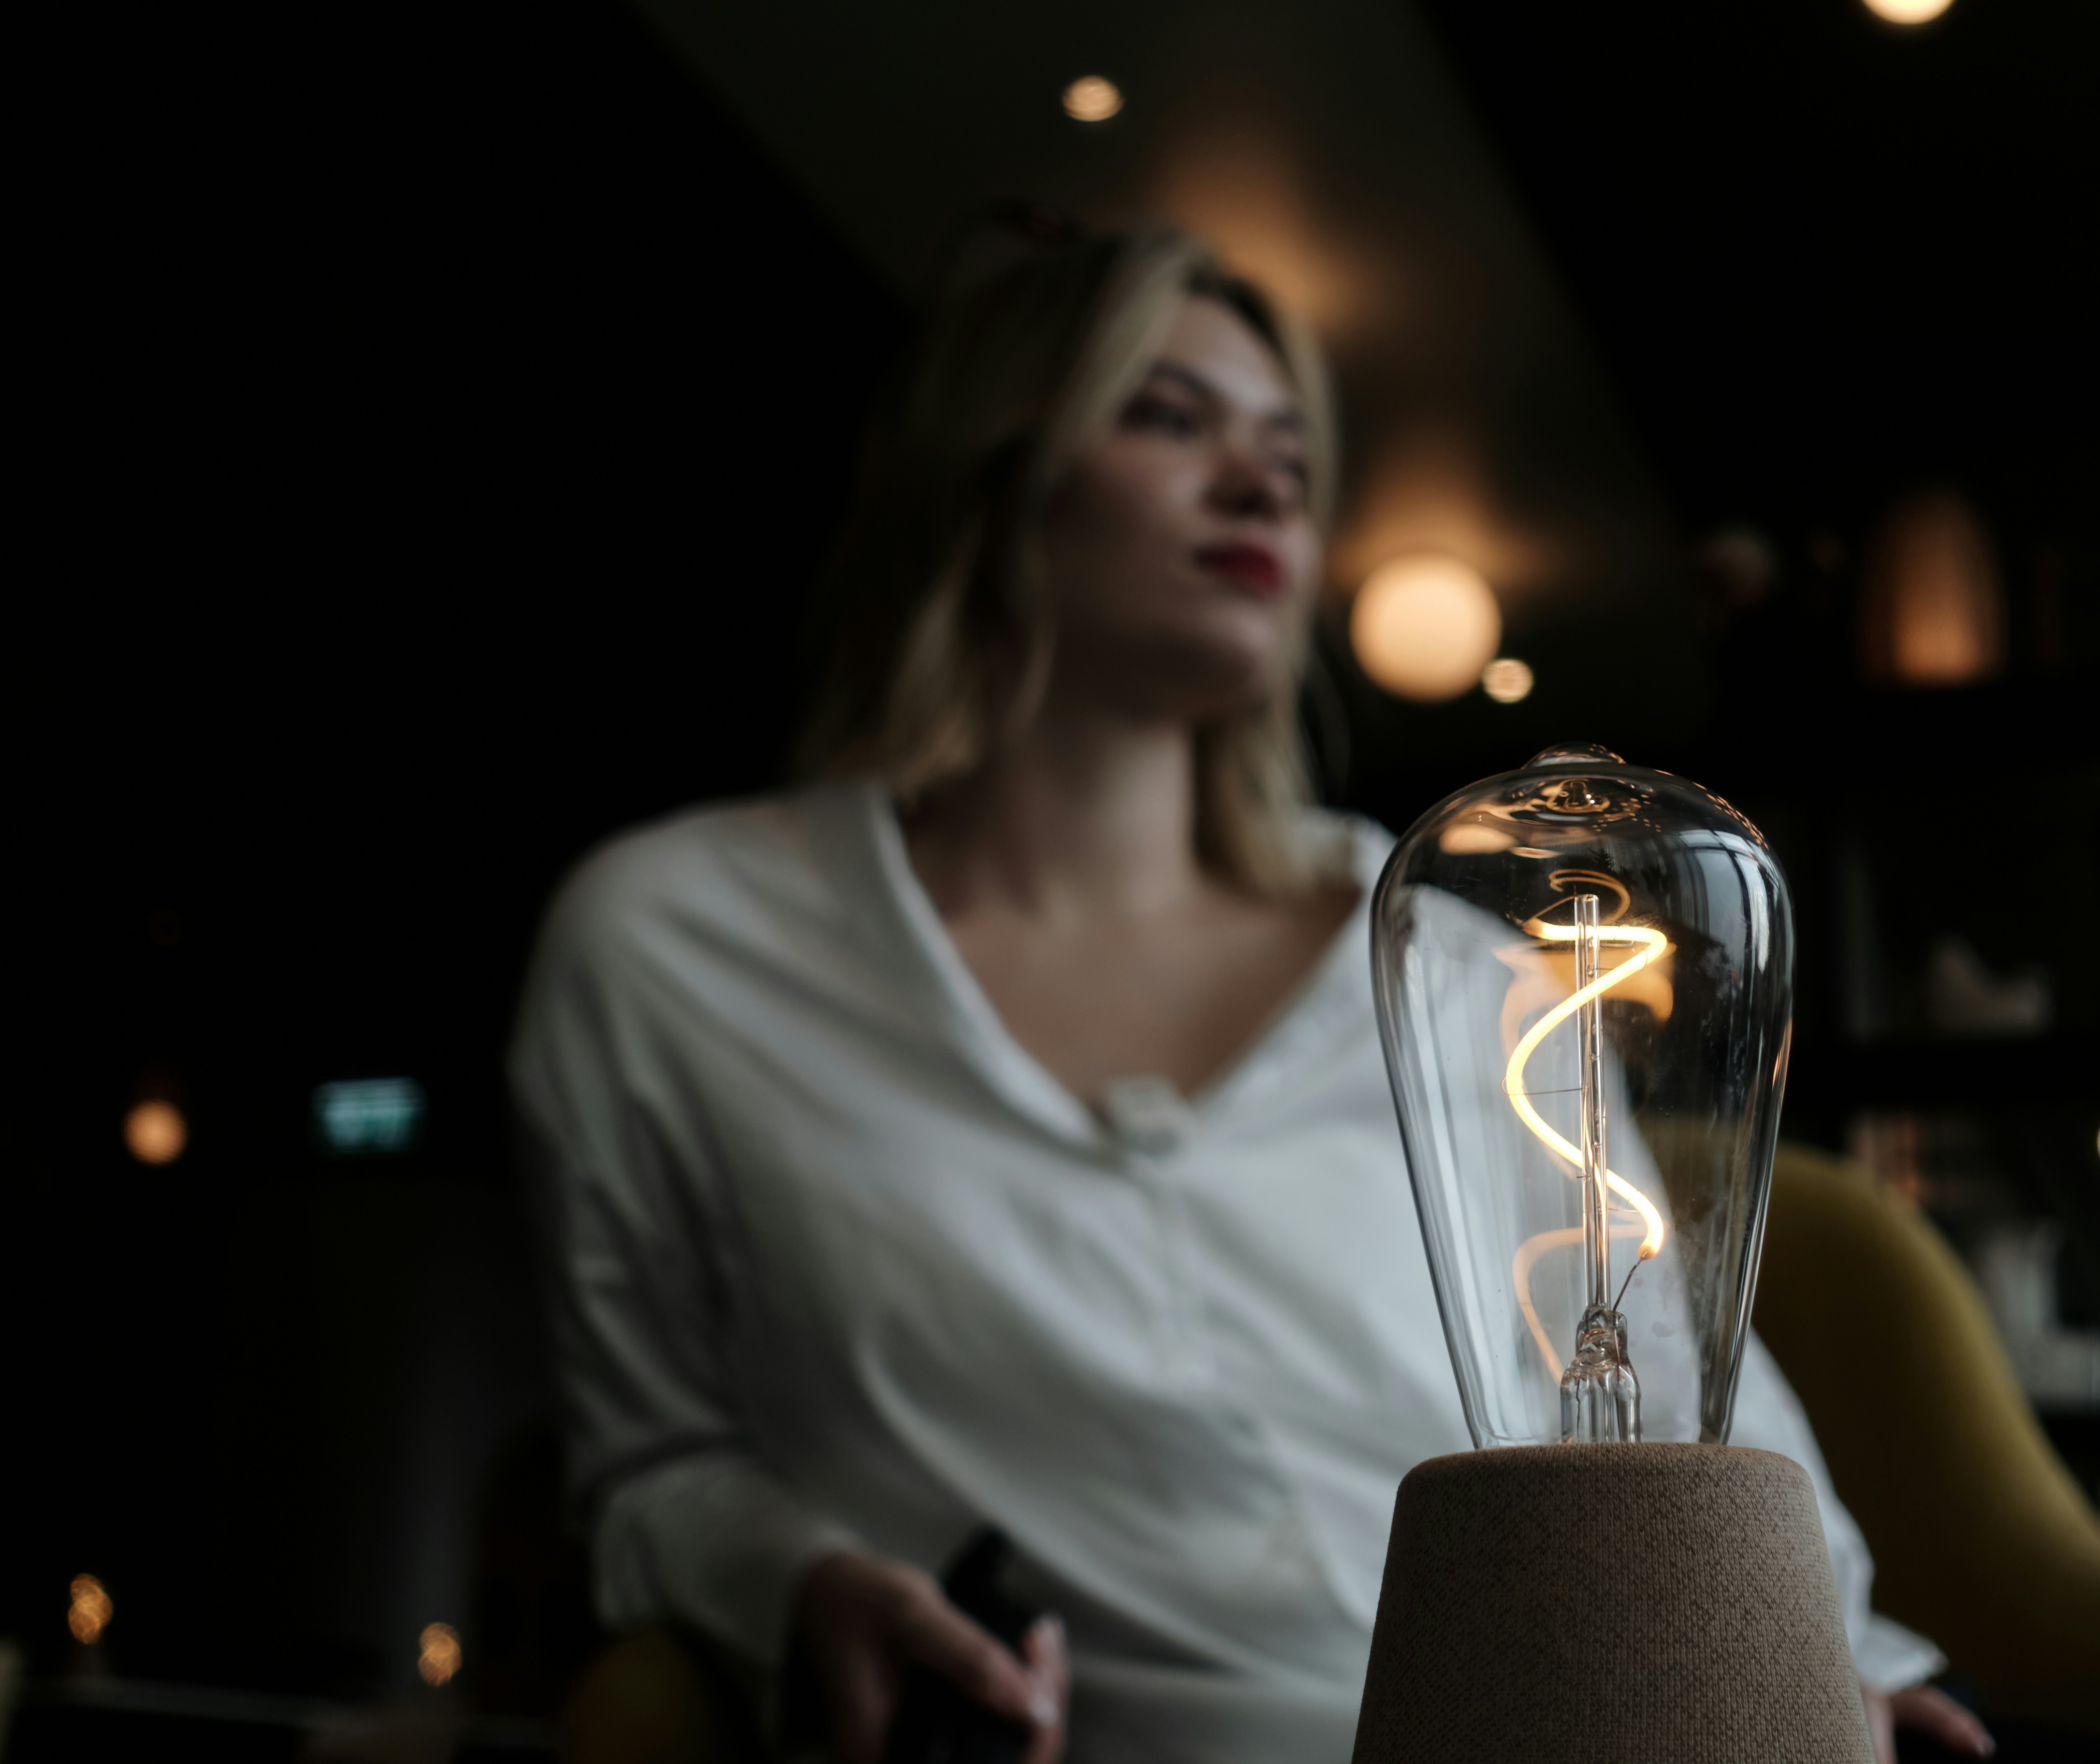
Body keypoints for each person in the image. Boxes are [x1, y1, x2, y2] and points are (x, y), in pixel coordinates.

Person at [511, 219, 1991, 1764]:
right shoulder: (674, 945)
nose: (1262, 480)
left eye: (1288, 446)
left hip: (1581, 1713)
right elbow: (652, 1465)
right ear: (986, 473)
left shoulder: (1449, 949)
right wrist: (797, 1588)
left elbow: (1684, 1388)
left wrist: (1832, 1674)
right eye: (1166, 415)